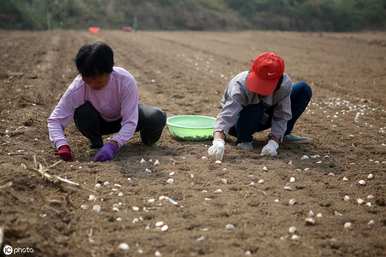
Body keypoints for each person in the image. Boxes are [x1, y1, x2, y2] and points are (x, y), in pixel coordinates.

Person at [48, 42, 166, 162]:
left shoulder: (125, 81)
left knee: (156, 116)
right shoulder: (78, 87)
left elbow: (130, 121)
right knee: (82, 111)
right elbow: (55, 120)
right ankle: (96, 143)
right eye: (88, 80)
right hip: (99, 123)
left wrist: (114, 144)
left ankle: (147, 141)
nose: (93, 84)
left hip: (122, 117)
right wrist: (61, 145)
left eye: (98, 81)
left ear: (110, 71)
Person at [208, 52, 312, 160]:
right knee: (255, 104)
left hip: (263, 115)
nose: (261, 90)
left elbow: (282, 114)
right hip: (239, 121)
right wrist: (218, 140)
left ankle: (282, 135)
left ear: (279, 80)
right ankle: (244, 139)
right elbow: (227, 115)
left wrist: (274, 142)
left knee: (303, 89)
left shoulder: (284, 85)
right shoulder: (240, 84)